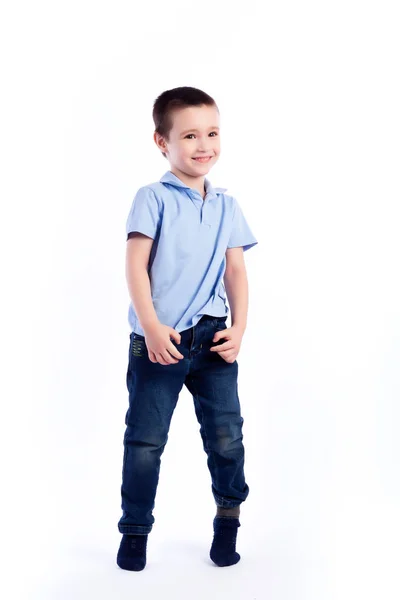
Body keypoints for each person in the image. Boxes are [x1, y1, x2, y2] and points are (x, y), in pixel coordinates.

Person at [116, 86, 258, 571]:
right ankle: (134, 532)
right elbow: (136, 266)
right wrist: (152, 327)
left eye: (213, 133)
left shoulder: (227, 205)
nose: (204, 145)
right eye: (190, 135)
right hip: (161, 343)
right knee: (145, 442)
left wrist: (240, 328)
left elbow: (235, 270)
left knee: (226, 438)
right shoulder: (152, 198)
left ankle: (228, 520)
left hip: (214, 339)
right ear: (162, 142)